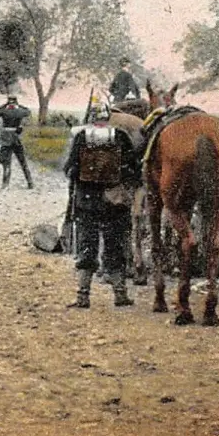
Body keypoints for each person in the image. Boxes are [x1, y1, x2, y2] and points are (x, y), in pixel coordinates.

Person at [62, 103, 140, 309]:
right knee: (115, 246)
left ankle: (83, 295)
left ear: (91, 117)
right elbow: (134, 170)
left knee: (87, 246)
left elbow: (70, 169)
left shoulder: (81, 136)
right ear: (108, 117)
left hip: (86, 202)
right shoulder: (121, 136)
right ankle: (120, 294)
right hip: (114, 203)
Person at [0, 94, 34, 190]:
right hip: (16, 137)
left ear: (8, 101)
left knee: (7, 163)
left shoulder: (4, 111)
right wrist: (19, 105)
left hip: (6, 138)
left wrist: (5, 104)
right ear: (16, 101)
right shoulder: (19, 112)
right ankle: (30, 182)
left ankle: (5, 184)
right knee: (22, 161)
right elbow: (28, 111)